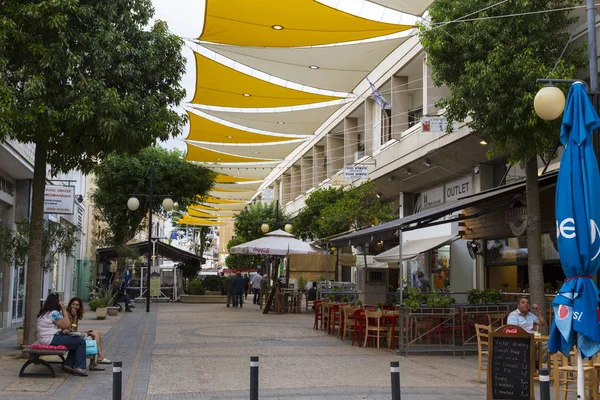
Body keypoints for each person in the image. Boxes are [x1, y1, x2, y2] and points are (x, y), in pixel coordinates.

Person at [36, 293, 88, 376]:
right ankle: (79, 367)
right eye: (60, 300)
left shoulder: (45, 313)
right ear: (56, 302)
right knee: (81, 342)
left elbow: (56, 326)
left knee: (74, 341)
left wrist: (62, 331)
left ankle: (68, 365)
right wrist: (64, 310)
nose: (62, 302)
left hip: (45, 339)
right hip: (49, 339)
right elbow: (67, 325)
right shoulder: (54, 313)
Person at [67, 297, 112, 371]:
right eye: (73, 304)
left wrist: (83, 332)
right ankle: (97, 360)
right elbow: (72, 330)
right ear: (70, 305)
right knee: (93, 337)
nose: (75, 306)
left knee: (95, 333)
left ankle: (97, 360)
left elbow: (74, 330)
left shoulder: (76, 314)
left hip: (74, 334)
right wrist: (75, 317)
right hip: (69, 337)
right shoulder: (68, 314)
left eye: (77, 305)